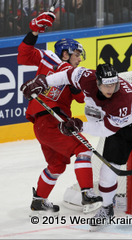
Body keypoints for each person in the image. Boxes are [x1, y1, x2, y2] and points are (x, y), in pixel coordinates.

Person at [20, 63, 132, 236]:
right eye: (106, 85)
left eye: (113, 84)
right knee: (107, 173)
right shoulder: (86, 77)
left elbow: (107, 129)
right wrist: (43, 82)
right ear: (97, 81)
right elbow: (66, 75)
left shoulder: (122, 100)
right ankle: (107, 210)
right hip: (119, 127)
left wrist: (79, 126)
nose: (111, 89)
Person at [17, 11, 102, 214]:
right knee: (83, 149)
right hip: (49, 120)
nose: (80, 59)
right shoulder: (48, 58)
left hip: (51, 124)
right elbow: (23, 55)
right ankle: (87, 194)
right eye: (77, 54)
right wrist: (34, 32)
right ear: (65, 53)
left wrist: (75, 84)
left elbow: (82, 98)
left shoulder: (76, 75)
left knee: (56, 164)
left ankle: (39, 200)